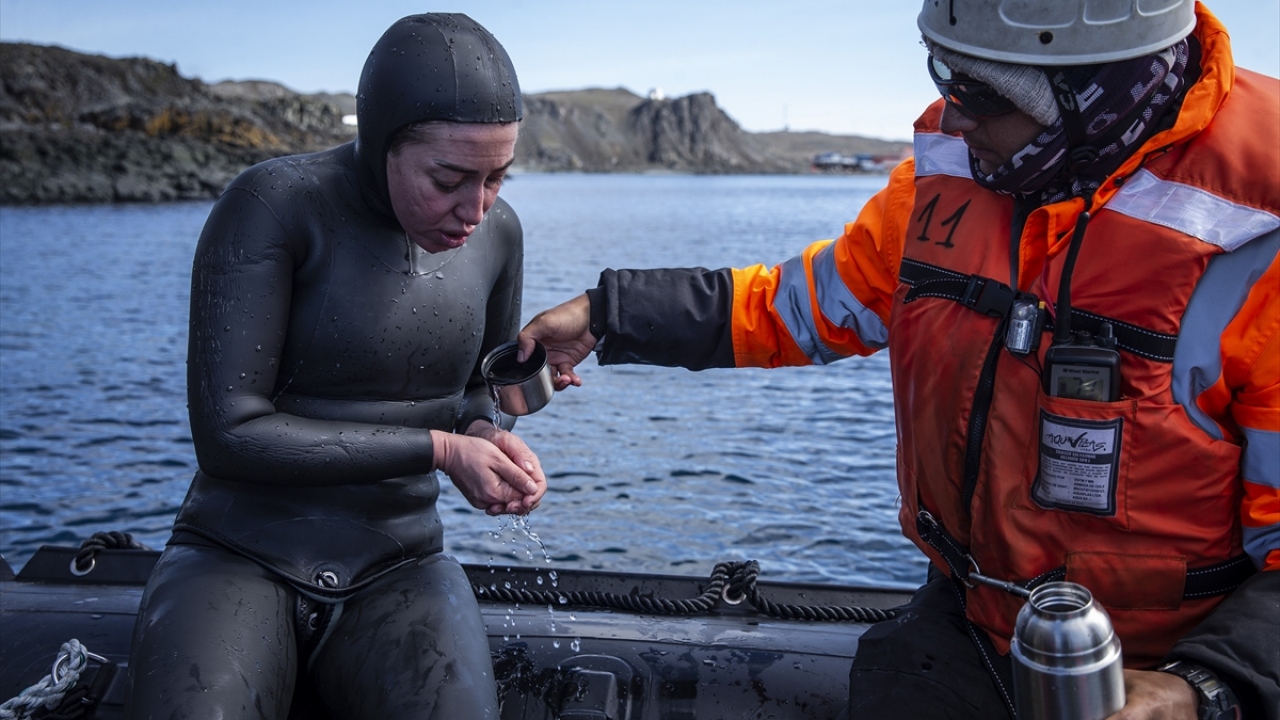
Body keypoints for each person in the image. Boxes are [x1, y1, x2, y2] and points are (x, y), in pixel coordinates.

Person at [517, 1, 1278, 718]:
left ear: (1087, 96)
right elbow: (799, 304)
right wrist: (607, 316)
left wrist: (1205, 686)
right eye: (942, 73)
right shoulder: (951, 174)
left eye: (980, 90)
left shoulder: (1260, 231)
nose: (955, 113)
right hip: (965, 624)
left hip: (1183, 663)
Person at [125, 14, 544, 719]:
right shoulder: (272, 207)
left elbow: (474, 389)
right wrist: (443, 450)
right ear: (383, 145)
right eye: (448, 178)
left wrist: (487, 429)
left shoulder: (499, 235)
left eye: (497, 178)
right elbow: (228, 433)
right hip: (238, 552)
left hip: (400, 562)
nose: (473, 208)